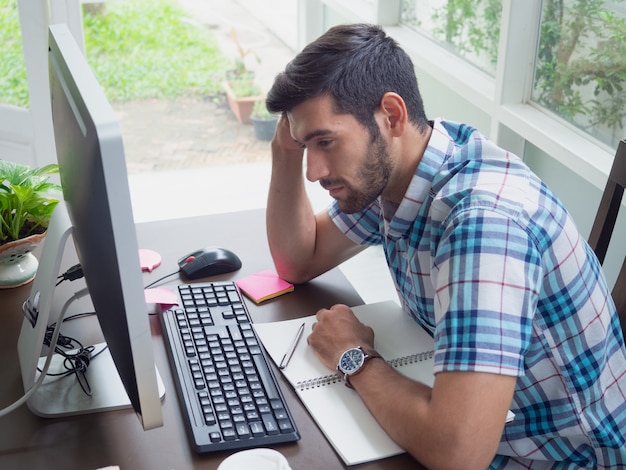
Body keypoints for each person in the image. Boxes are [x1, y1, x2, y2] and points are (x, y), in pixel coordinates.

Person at [264, 23, 626, 469]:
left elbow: (458, 453)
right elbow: (298, 260)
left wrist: (353, 357)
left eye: (325, 141)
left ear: (391, 116)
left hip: (555, 458)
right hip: (488, 427)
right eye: (306, 146)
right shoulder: (404, 165)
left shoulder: (483, 225)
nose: (314, 170)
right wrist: (286, 150)